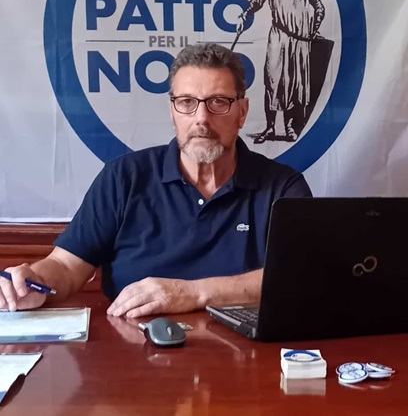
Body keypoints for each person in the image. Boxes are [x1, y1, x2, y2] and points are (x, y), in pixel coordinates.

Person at [0, 43, 312, 317]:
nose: (202, 119)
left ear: (242, 112)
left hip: (249, 355)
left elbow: (299, 275)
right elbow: (66, 266)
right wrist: (32, 283)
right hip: (134, 351)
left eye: (218, 102)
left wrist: (191, 293)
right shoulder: (123, 178)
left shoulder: (283, 187)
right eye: (187, 102)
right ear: (172, 111)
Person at [236, 0, 325, 143]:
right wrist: (245, 13)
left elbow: (319, 7)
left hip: (300, 42)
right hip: (278, 38)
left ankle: (289, 126)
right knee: (273, 81)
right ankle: (270, 127)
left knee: (294, 83)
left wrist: (313, 29)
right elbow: (258, 0)